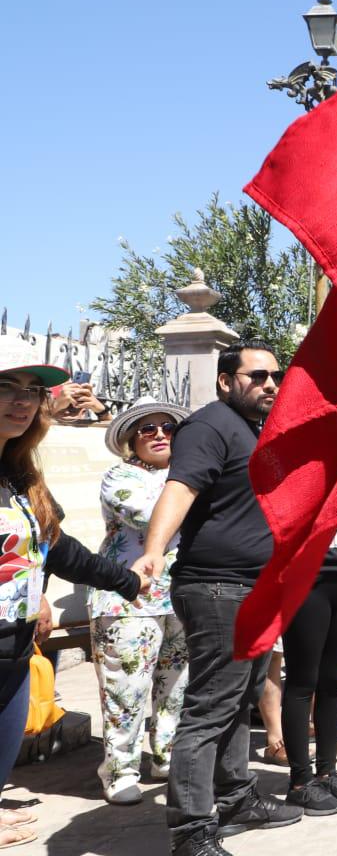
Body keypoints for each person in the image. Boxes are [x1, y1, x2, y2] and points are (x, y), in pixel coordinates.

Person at [134, 338, 303, 856]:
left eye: (275, 376)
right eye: (256, 376)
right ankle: (190, 831)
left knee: (236, 702)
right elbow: (180, 487)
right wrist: (153, 550)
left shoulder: (250, 429)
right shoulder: (209, 425)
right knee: (209, 709)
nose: (269, 384)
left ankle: (234, 796)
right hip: (217, 587)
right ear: (226, 381)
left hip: (251, 588)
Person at [0, 340, 147, 848]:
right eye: (6, 387)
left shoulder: (21, 472)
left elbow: (59, 549)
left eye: (32, 391)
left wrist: (126, 581)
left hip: (15, 644)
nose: (21, 401)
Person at [92, 398, 192, 804]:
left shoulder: (185, 478)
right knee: (126, 689)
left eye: (167, 427)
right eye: (147, 429)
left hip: (179, 594)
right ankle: (119, 771)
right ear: (132, 439)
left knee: (176, 685)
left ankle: (166, 755)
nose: (159, 435)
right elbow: (154, 516)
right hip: (127, 599)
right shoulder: (119, 476)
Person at [279, 513, 337, 815]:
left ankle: (327, 771)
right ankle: (300, 781)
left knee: (333, 681)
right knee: (302, 681)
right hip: (309, 566)